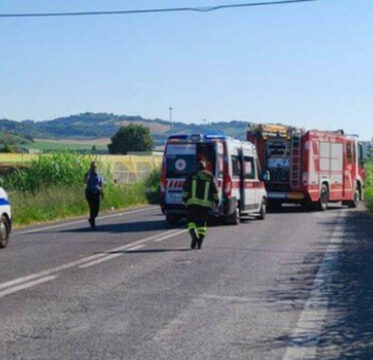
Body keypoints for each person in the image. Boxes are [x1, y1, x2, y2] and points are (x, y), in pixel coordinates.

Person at [182, 161, 219, 249]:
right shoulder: (209, 176)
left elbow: (186, 188)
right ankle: (200, 243)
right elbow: (214, 190)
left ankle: (194, 237)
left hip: (192, 203)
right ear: (204, 167)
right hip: (205, 205)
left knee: (191, 222)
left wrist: (184, 199)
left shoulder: (191, 175)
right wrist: (216, 201)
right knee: (202, 224)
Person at [85, 161, 103, 229]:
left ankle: (91, 218)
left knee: (96, 209)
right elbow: (85, 182)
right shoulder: (87, 174)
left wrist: (102, 192)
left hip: (96, 192)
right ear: (90, 167)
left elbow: (100, 184)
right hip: (89, 192)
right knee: (91, 207)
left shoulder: (99, 175)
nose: (93, 168)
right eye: (92, 167)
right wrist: (88, 175)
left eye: (94, 167)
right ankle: (93, 222)